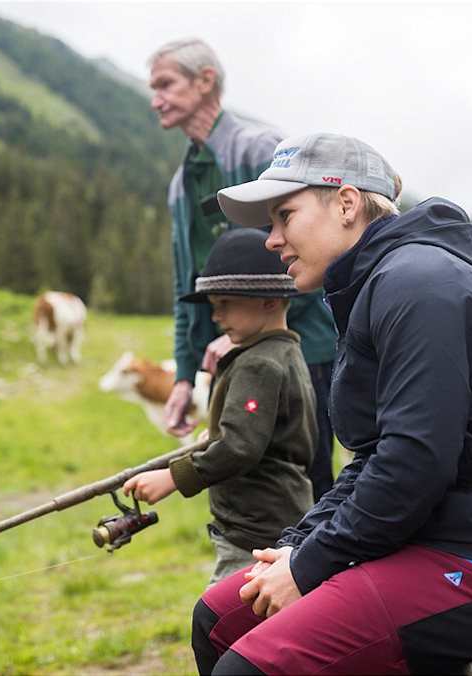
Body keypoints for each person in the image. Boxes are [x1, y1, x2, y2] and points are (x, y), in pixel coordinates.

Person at [189, 132, 472, 674]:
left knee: (251, 666)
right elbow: (376, 457)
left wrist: (311, 565)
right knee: (220, 616)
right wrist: (299, 545)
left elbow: (416, 461)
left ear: (347, 204)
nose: (272, 239)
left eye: (284, 216)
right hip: (431, 540)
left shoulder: (418, 284)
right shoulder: (373, 287)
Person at [147, 38, 338, 499]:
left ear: (206, 80)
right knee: (244, 475)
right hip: (234, 349)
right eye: (152, 88)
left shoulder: (261, 150)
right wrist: (184, 377)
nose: (155, 99)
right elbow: (184, 283)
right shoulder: (181, 184)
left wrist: (249, 327)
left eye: (166, 84)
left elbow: (313, 250)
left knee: (304, 482)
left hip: (302, 352)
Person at [123, 228, 316, 586]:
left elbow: (240, 446)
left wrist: (172, 477)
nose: (216, 316)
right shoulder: (286, 352)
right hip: (275, 518)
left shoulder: (259, 364)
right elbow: (257, 432)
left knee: (223, 625)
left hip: (254, 534)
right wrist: (218, 434)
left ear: (269, 301)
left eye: (225, 304)